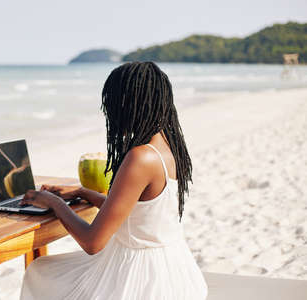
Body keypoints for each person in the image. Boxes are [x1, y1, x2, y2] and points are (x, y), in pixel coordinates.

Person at [18, 61, 208, 299]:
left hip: (141, 278)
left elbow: (92, 242)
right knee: (46, 270)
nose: (109, 112)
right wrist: (82, 193)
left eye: (112, 104)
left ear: (129, 105)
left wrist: (52, 202)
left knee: (39, 271)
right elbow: (138, 213)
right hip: (173, 270)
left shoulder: (140, 157)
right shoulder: (169, 147)